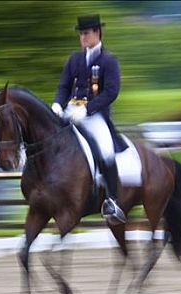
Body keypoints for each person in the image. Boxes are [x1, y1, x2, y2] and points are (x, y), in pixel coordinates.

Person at [52, 14, 127, 224]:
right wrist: (58, 104)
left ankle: (112, 201)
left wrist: (88, 109)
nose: (82, 38)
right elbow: (64, 86)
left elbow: (111, 91)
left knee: (105, 149)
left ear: (97, 33)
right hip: (70, 111)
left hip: (95, 116)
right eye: (80, 34)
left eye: (85, 33)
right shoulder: (74, 59)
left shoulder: (108, 60)